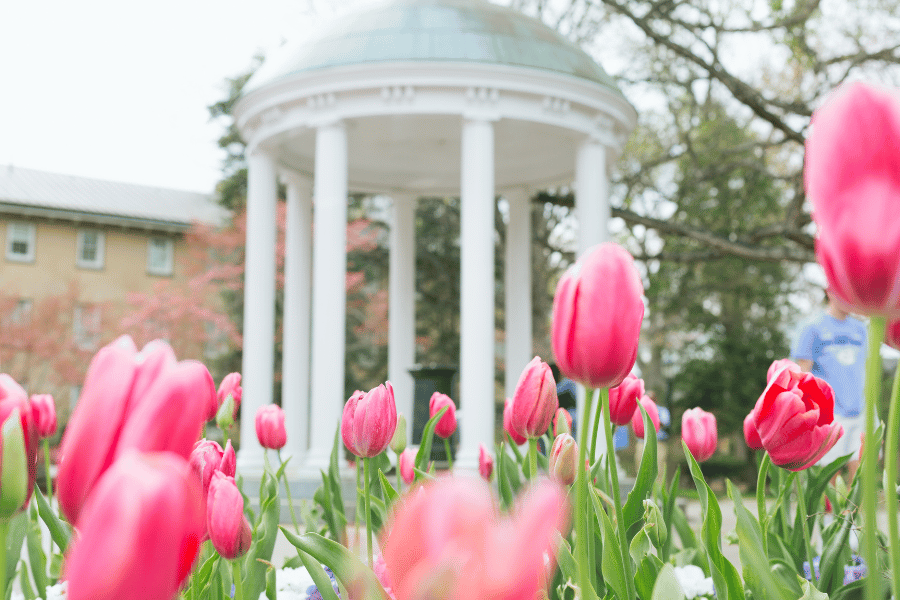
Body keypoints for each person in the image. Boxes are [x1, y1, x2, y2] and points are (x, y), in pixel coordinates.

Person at [791, 288, 867, 481]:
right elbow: (803, 372)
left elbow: (866, 367)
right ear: (830, 292)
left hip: (859, 409)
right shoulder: (813, 327)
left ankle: (853, 512)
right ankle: (829, 512)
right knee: (830, 473)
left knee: (859, 470)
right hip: (830, 412)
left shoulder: (860, 329)